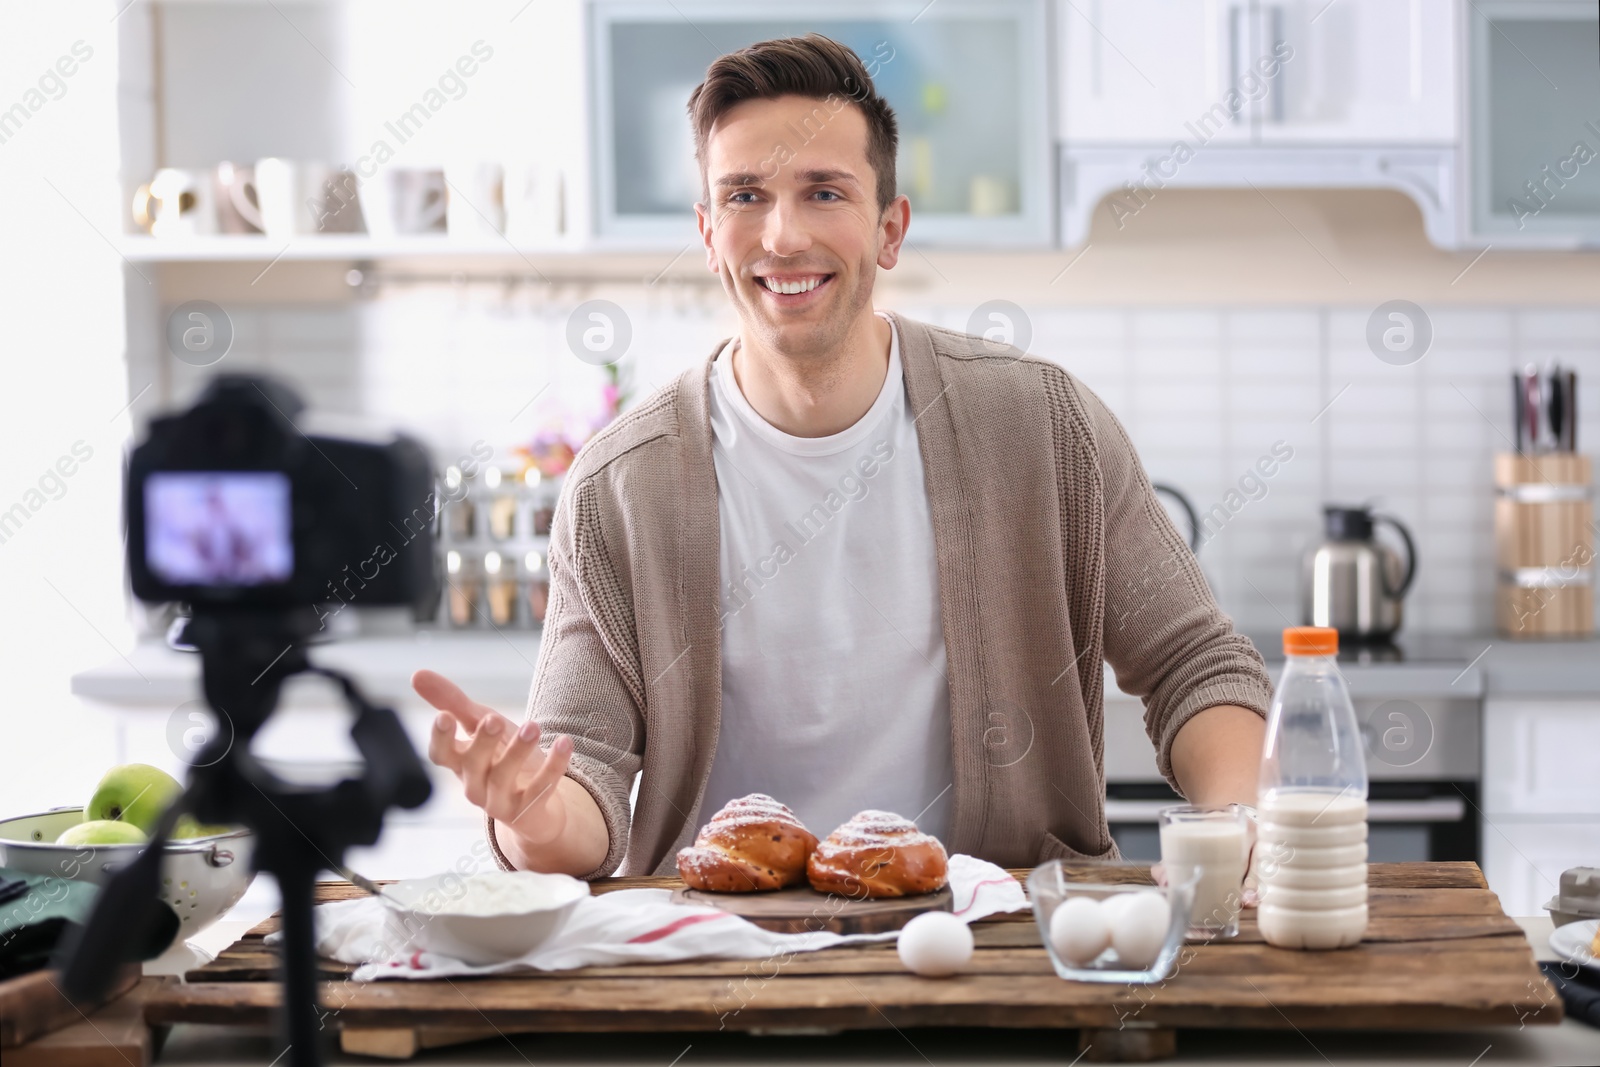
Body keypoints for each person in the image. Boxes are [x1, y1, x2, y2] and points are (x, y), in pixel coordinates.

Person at [412, 34, 1273, 880]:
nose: (782, 236)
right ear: (709, 234)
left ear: (889, 228)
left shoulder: (1044, 426)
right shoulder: (618, 488)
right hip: (718, 972)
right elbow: (581, 784)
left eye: (824, 192)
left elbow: (1195, 664)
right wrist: (526, 811)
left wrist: (1235, 828)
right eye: (745, 195)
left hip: (1002, 960)